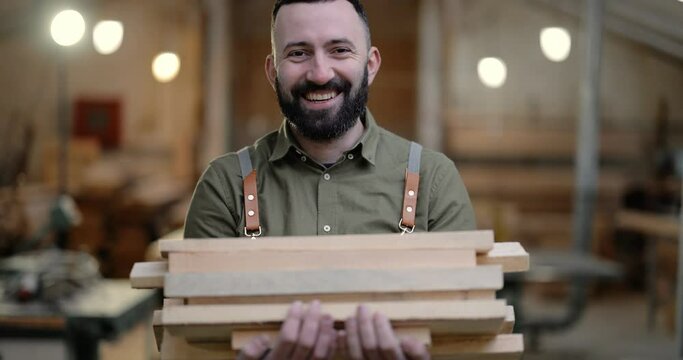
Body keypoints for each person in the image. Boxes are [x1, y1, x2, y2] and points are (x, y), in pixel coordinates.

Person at [184, 0, 476, 358]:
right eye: (298, 53)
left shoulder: (434, 181)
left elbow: (468, 339)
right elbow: (190, 343)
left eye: (339, 50)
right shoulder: (225, 186)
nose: (320, 73)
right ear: (273, 70)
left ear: (370, 65)